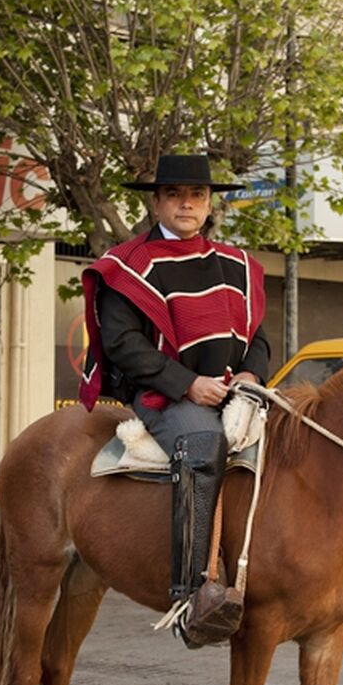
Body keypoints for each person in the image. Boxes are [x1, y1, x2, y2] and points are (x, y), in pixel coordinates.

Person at [79, 154, 269, 645]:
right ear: (157, 201)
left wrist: (251, 372)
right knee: (203, 443)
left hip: (234, 386)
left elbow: (259, 336)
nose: (188, 203)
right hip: (165, 394)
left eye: (198, 195)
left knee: (298, 438)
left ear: (209, 205)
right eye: (176, 195)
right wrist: (188, 384)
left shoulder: (237, 266)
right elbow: (123, 344)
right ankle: (194, 593)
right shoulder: (127, 266)